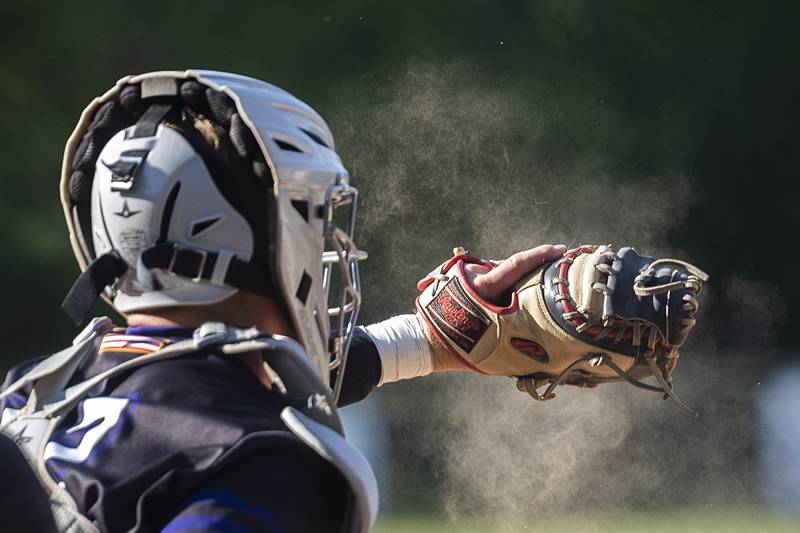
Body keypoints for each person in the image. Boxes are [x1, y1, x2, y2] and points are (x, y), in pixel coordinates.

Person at [0, 70, 564, 532]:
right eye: (313, 220)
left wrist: (428, 340)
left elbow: (235, 385)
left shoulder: (30, 393)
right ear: (250, 243)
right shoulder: (256, 463)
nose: (326, 248)